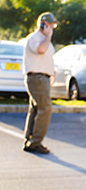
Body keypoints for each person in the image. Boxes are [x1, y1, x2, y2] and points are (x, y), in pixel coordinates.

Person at [22, 11, 58, 154]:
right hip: (37, 78)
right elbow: (41, 50)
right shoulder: (35, 38)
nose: (52, 28)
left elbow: (46, 57)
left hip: (43, 78)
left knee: (35, 109)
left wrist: (52, 72)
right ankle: (35, 142)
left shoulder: (44, 39)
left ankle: (30, 140)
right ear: (43, 24)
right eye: (50, 24)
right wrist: (48, 35)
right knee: (45, 109)